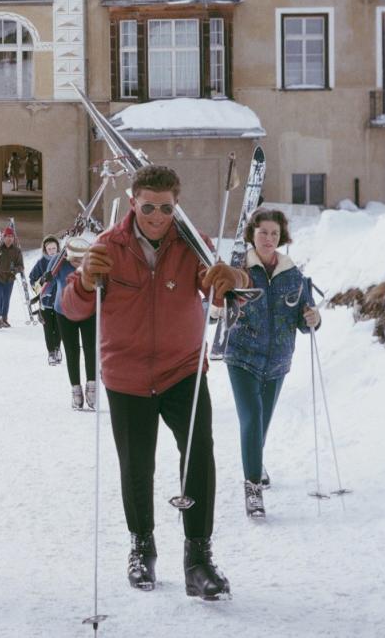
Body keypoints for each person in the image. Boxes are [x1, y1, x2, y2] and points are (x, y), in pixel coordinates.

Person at [63, 164, 249, 602]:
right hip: (126, 375)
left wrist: (231, 280)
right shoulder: (108, 246)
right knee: (136, 465)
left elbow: (229, 290)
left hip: (182, 370)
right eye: (148, 207)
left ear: (175, 205)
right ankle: (141, 546)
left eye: (166, 208)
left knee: (198, 457)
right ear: (133, 203)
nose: (157, 217)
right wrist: (88, 281)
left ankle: (198, 559)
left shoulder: (191, 243)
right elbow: (70, 308)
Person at [224, 207, 320, 520]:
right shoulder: (238, 270)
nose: (268, 238)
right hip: (242, 357)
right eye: (263, 232)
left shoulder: (294, 275)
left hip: (278, 362)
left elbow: (306, 322)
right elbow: (214, 303)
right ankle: (252, 488)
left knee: (262, 423)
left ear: (282, 237)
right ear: (252, 234)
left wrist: (313, 318)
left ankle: (255, 460)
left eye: (274, 233)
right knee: (251, 418)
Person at [47, 238, 97, 408]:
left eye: (80, 259)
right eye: (74, 259)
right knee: (71, 350)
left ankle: (92, 386)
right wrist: (47, 278)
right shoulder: (59, 262)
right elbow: (46, 283)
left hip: (89, 310)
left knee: (90, 348)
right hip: (64, 311)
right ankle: (76, 389)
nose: (77, 263)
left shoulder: (92, 264)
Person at [29, 235, 63, 366]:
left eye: (54, 248)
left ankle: (57, 348)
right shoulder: (42, 262)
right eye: (49, 249)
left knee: (59, 327)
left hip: (60, 301)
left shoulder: (62, 261)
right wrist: (41, 281)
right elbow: (32, 278)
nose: (52, 251)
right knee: (48, 328)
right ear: (45, 249)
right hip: (46, 302)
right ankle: (51, 353)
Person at [0, 226, 23, 328]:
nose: (9, 239)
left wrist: (15, 270)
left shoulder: (17, 251)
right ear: (3, 238)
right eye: (7, 236)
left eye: (11, 236)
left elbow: (21, 266)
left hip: (9, 279)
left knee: (6, 299)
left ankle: (4, 319)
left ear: (13, 238)